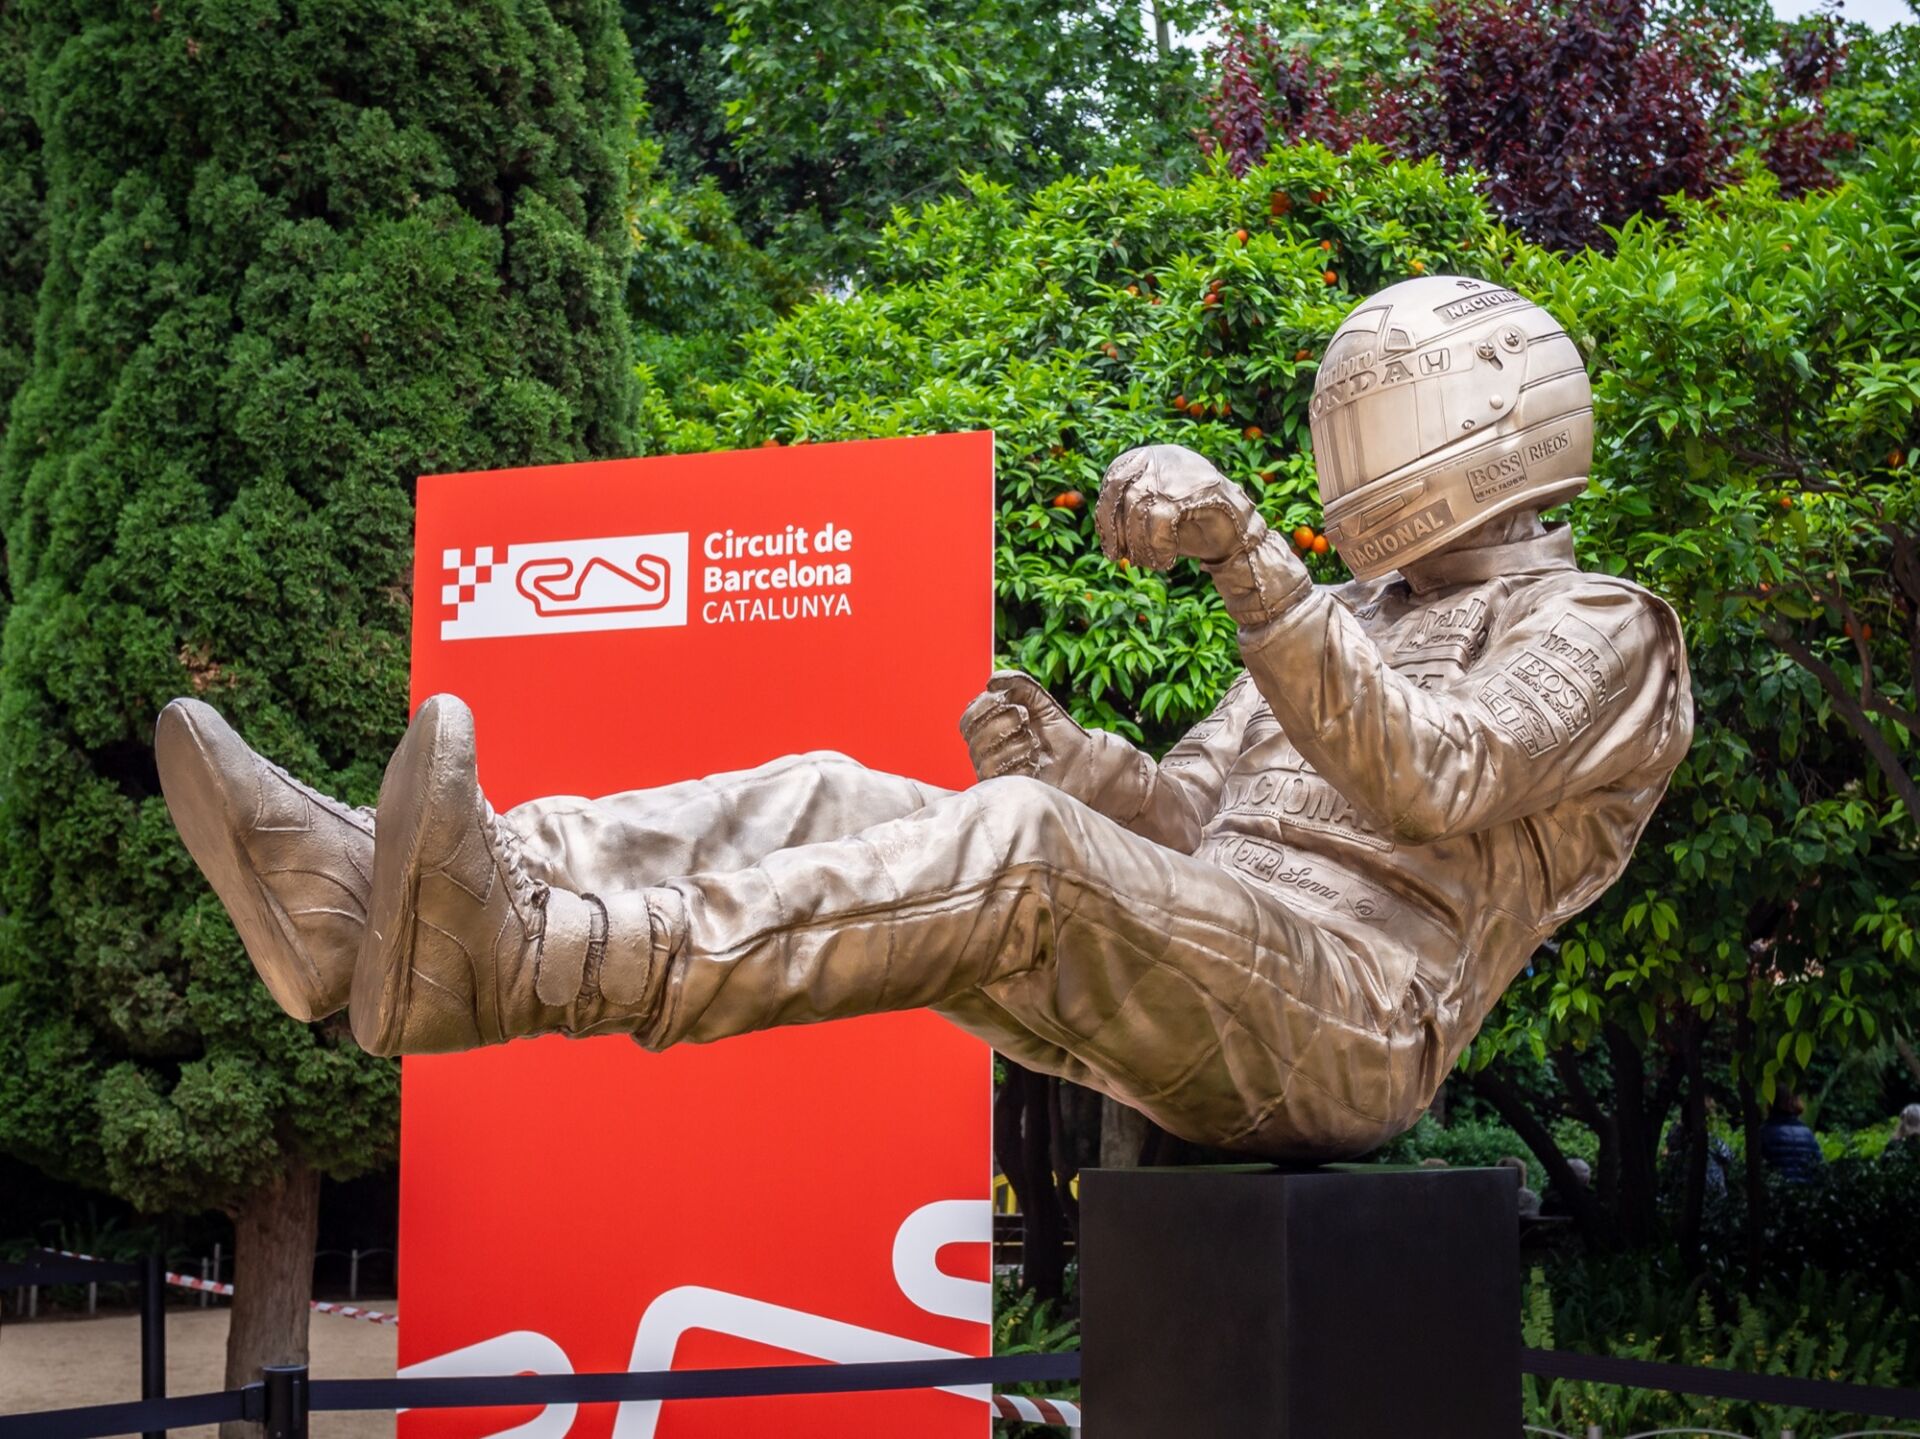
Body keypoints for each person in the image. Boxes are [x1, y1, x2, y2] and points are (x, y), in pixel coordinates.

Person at [155, 276, 1694, 1162]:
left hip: (1361, 1013)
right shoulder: (1352, 619)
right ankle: (373, 896)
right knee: (837, 788)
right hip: (1239, 943)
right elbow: (1194, 820)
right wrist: (1079, 760)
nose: (1368, 446)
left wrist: (1248, 558)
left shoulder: (1605, 627)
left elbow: (1436, 773)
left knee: (1021, 852)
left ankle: (530, 957)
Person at [1758, 1092, 1824, 1183]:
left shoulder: (1764, 1132)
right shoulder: (1807, 1133)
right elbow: (1818, 1166)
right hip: (1803, 1192)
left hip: (1775, 1191)